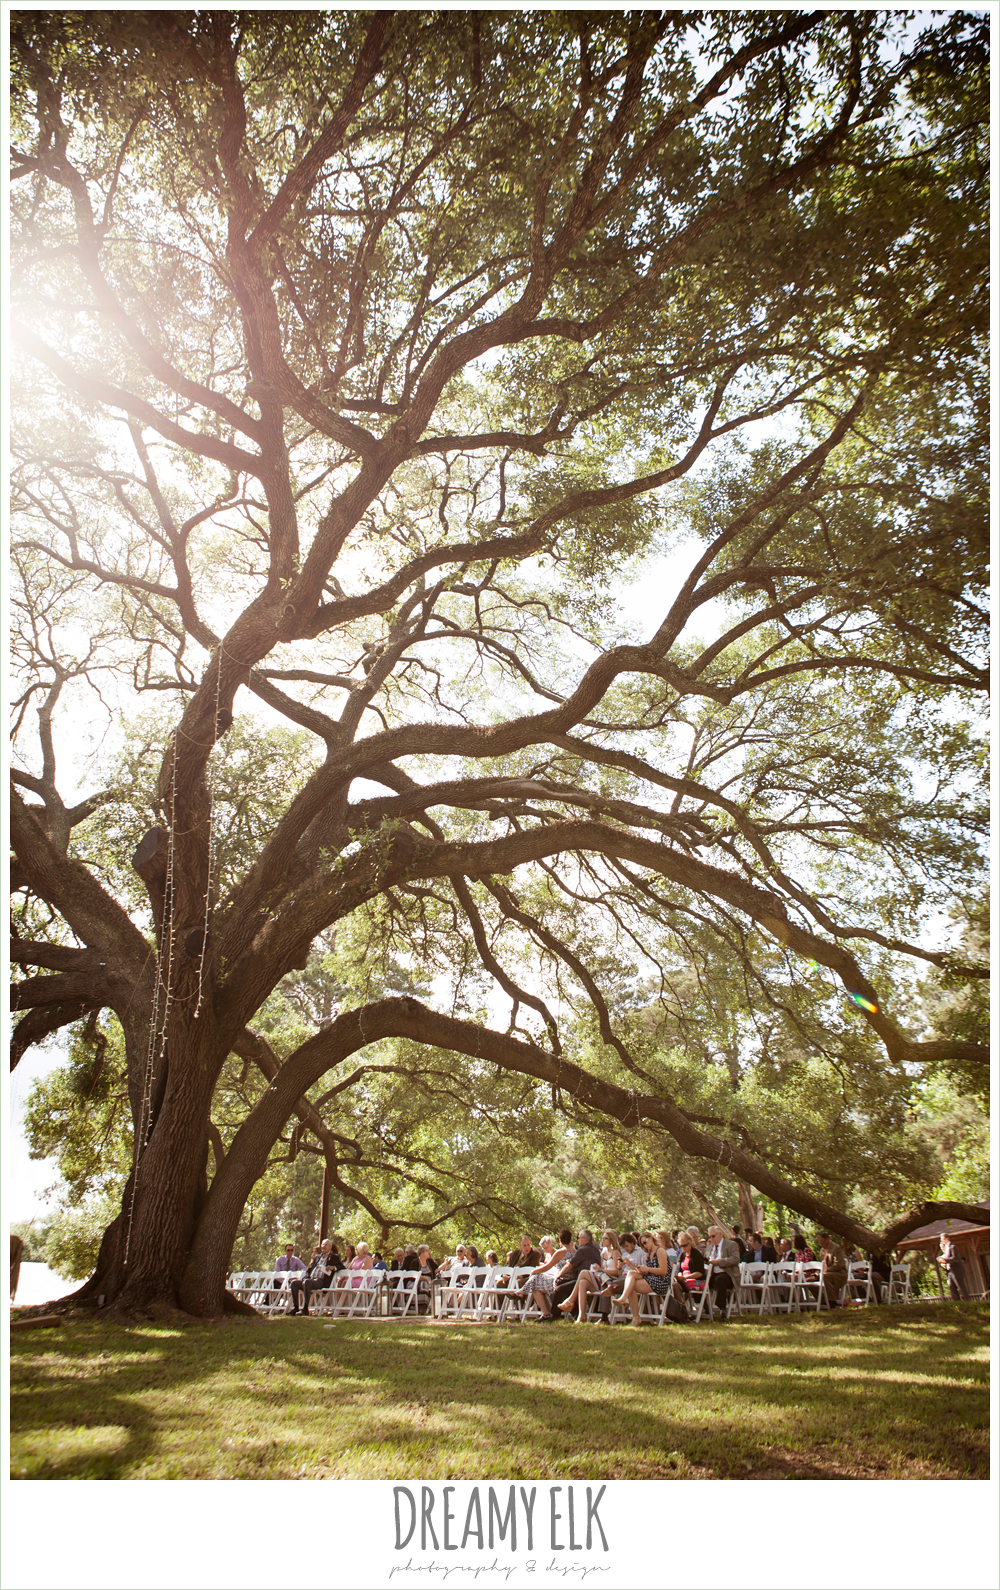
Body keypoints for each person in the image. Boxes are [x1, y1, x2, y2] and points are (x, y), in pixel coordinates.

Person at [556, 1229, 622, 1322]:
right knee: (583, 1282)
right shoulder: (602, 1254)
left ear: (611, 1240)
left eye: (605, 1238)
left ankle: (570, 1300)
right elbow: (601, 1270)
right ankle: (581, 1315)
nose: (602, 1240)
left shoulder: (615, 1253)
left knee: (583, 1272)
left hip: (611, 1280)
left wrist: (600, 1269)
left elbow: (617, 1272)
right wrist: (599, 1268)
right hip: (601, 1279)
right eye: (602, 1238)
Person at [546, 1229, 603, 1321]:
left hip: (586, 1281)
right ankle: (577, 1313)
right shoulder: (596, 1250)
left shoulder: (582, 1250)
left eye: (579, 1238)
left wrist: (558, 1276)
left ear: (586, 1240)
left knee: (559, 1289)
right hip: (595, 1281)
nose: (578, 1240)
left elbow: (569, 1266)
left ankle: (557, 1315)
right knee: (566, 1287)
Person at [618, 1231, 672, 1326]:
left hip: (661, 1281)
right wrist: (641, 1270)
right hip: (651, 1278)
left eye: (645, 1243)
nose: (644, 1246)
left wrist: (647, 1269)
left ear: (651, 1239)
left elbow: (664, 1271)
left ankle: (635, 1316)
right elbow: (649, 1271)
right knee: (631, 1274)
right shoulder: (649, 1253)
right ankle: (626, 1303)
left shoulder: (660, 1251)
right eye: (642, 1244)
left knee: (631, 1286)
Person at [527, 1232, 573, 1317]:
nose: (545, 1250)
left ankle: (545, 1313)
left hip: (560, 1281)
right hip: (569, 1281)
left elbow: (547, 1267)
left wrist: (534, 1271)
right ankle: (522, 1292)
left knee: (534, 1282)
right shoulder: (575, 1252)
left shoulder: (560, 1252)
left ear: (560, 1241)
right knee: (536, 1281)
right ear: (571, 1240)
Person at [289, 1238, 338, 1315]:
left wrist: (333, 1267)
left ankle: (305, 1309)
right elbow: (309, 1271)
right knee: (294, 1283)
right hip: (310, 1280)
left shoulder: (334, 1257)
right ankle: (296, 1308)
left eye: (326, 1245)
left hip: (321, 1281)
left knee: (307, 1282)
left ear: (330, 1247)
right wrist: (304, 1279)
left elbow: (342, 1267)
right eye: (322, 1245)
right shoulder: (317, 1257)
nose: (323, 1246)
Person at [706, 1224, 741, 1317]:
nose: (711, 1239)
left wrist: (719, 1262)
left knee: (720, 1279)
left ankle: (722, 1309)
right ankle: (704, 1308)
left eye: (713, 1236)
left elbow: (736, 1259)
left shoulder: (731, 1244)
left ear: (720, 1234)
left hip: (728, 1274)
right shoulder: (709, 1248)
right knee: (700, 1282)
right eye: (710, 1237)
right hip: (712, 1274)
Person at [672, 1230, 708, 1314]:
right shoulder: (683, 1254)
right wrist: (680, 1276)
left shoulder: (696, 1254)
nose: (684, 1247)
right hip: (685, 1280)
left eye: (685, 1245)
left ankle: (681, 1309)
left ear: (690, 1242)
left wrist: (685, 1277)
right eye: (681, 1246)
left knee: (675, 1285)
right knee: (673, 1284)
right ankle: (682, 1308)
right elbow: (680, 1270)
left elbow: (700, 1273)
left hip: (697, 1281)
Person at [816, 1231, 848, 1306]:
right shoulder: (822, 1251)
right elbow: (821, 1264)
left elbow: (838, 1264)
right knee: (809, 1279)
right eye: (819, 1244)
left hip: (839, 1274)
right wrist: (817, 1272)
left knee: (825, 1276)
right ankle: (823, 1300)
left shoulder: (836, 1248)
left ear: (827, 1240)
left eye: (822, 1243)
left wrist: (825, 1271)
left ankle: (832, 1301)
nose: (821, 1245)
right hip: (825, 1273)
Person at [940, 1234, 970, 1300]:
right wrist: (944, 1263)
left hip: (956, 1271)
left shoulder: (953, 1246)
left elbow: (955, 1258)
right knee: (951, 1287)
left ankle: (968, 1303)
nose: (941, 1240)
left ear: (946, 1239)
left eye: (942, 1239)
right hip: (950, 1271)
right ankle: (957, 1303)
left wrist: (945, 1260)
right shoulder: (946, 1247)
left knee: (961, 1287)